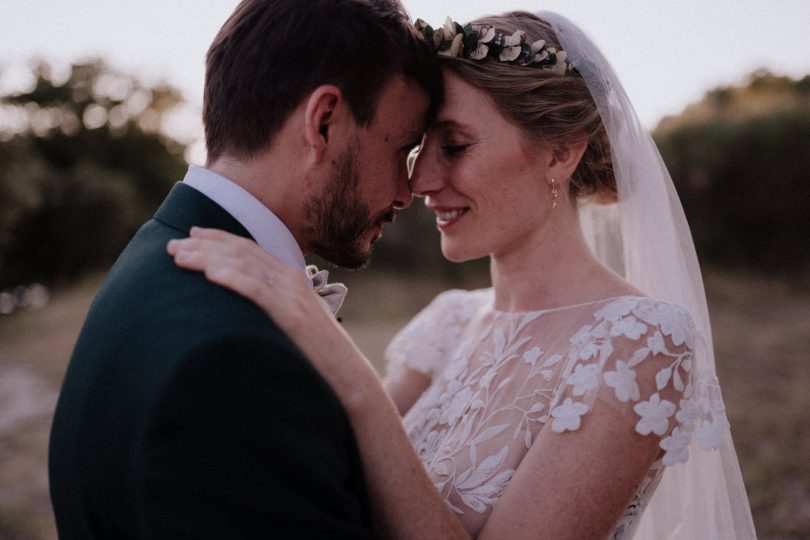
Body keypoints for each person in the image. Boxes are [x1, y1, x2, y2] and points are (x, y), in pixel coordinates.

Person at [168, 10, 757, 540]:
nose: (419, 182)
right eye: (416, 149)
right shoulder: (448, 324)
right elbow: (331, 484)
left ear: (560, 153)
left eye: (454, 146)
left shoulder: (640, 345)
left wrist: (341, 360)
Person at [48, 0, 441, 538]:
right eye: (402, 150)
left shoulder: (153, 256)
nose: (405, 191)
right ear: (323, 122)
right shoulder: (235, 360)